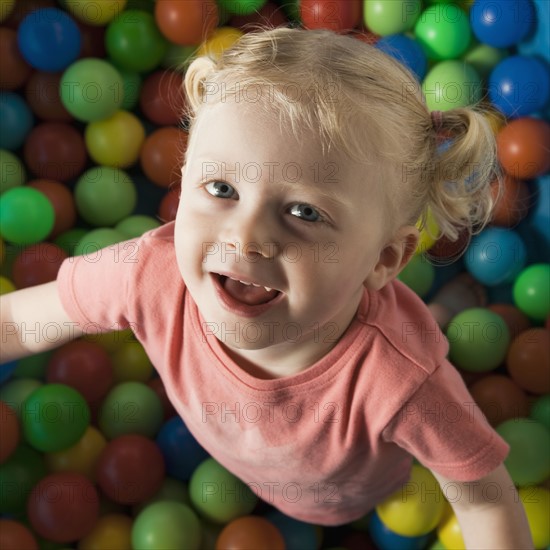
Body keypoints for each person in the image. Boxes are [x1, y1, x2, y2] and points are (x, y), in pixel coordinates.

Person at [1, 28, 533, 548]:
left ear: (385, 258)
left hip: (355, 497)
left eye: (303, 212)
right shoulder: (147, 277)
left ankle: (437, 313)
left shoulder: (403, 380)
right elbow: (21, 321)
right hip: (224, 457)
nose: (247, 237)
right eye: (222, 188)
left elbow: (483, 499)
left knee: (418, 332)